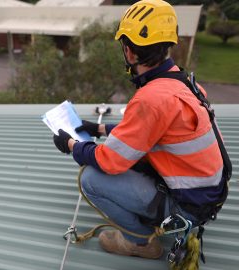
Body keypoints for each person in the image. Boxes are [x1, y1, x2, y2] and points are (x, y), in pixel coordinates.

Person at [53, 0, 229, 260]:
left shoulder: (151, 98)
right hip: (208, 198)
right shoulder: (183, 82)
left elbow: (109, 161)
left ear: (130, 52)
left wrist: (71, 145)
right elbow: (146, 133)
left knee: (90, 179)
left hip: (188, 207)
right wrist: (99, 128)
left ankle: (140, 243)